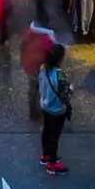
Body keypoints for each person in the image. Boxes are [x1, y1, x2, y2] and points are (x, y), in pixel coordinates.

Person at [37, 44, 71, 174]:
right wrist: (70, 89)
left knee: (46, 130)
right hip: (57, 110)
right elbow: (65, 94)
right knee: (54, 136)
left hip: (45, 106)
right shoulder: (60, 75)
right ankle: (52, 163)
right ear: (59, 59)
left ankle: (45, 155)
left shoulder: (42, 69)